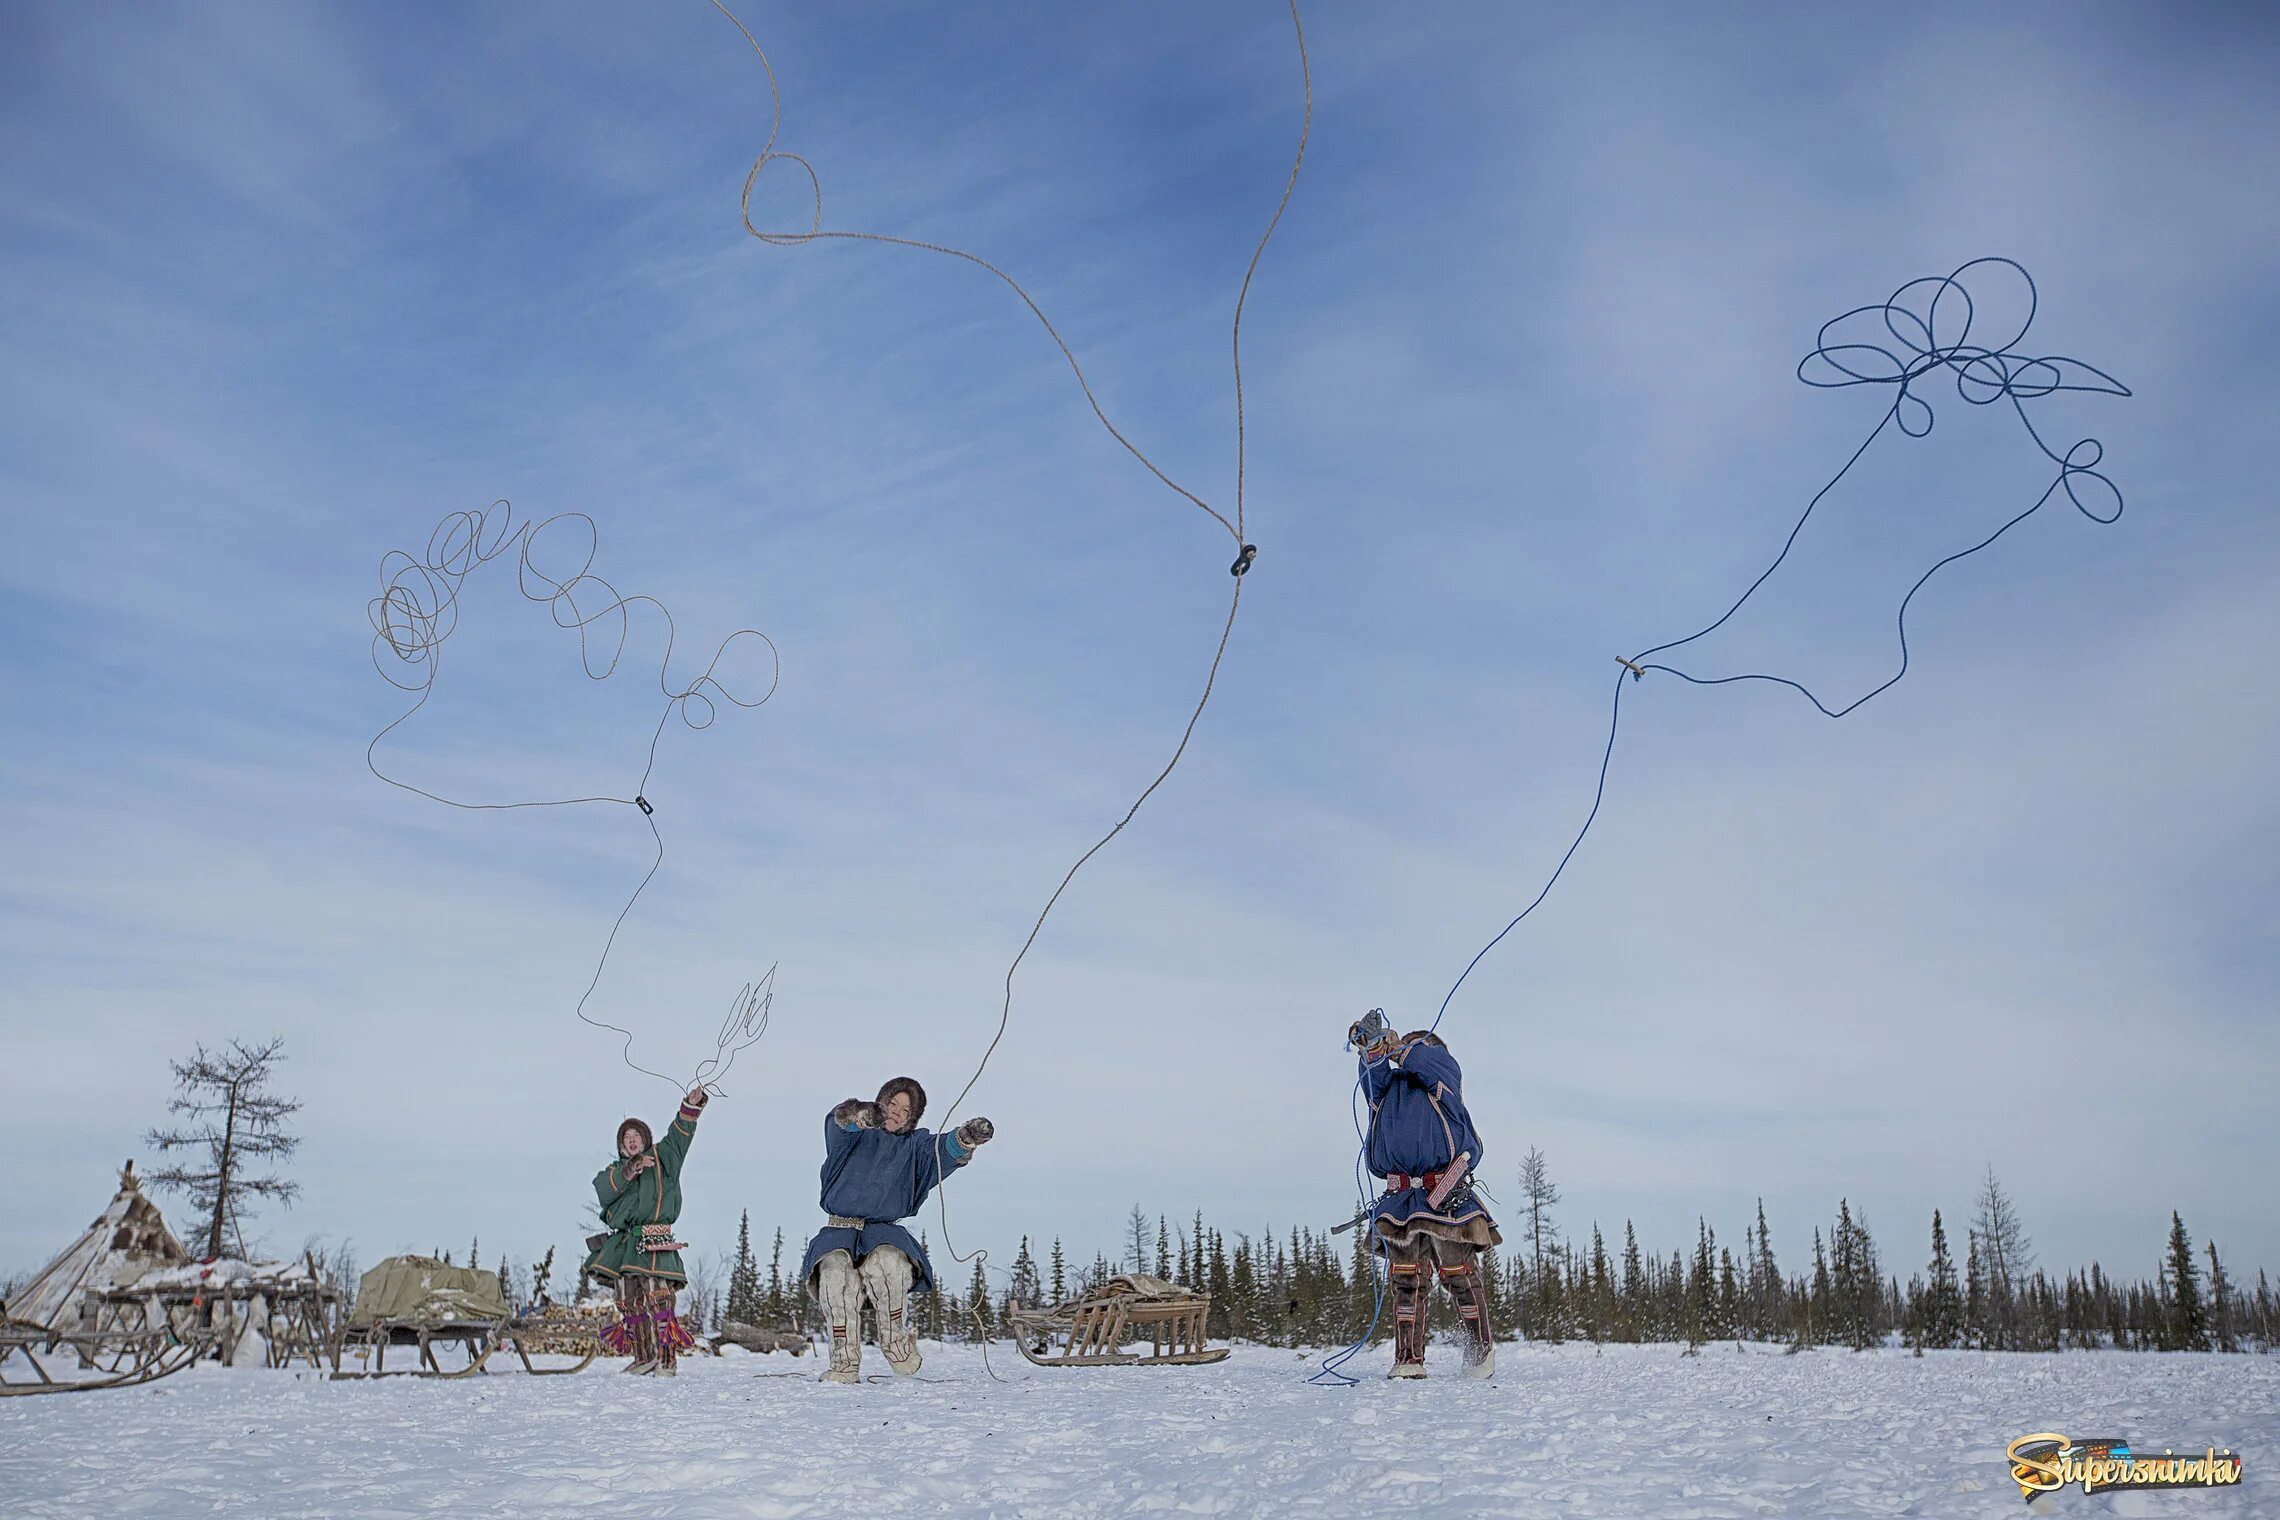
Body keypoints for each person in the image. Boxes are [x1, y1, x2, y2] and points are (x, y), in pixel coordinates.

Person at [796, 1077, 994, 1384]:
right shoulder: (854, 1137)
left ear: (913, 1117)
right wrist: (861, 1115)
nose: (897, 1113)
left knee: (889, 1265)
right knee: (835, 1277)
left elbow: (945, 1149)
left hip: (883, 1233)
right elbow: (840, 1122)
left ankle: (898, 1347)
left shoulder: (915, 1146)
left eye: (906, 1109)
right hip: (839, 1231)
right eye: (892, 1104)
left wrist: (966, 1137)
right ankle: (844, 1365)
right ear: (881, 1102)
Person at [1350, 1008, 1501, 1379]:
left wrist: (1398, 1044)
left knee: (1459, 1273)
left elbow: (1426, 1058)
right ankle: (1408, 1359)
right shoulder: (1388, 1086)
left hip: (1444, 1194)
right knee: (1406, 1279)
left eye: (1413, 1047)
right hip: (1401, 1198)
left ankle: (1479, 1353)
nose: (1404, 1052)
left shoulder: (1442, 1072)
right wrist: (1371, 1048)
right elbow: (1373, 1076)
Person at [584, 1086, 709, 1376]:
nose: (631, 1141)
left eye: (636, 1137)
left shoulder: (665, 1158)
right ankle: (644, 1357)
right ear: (620, 1145)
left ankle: (667, 1360)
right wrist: (632, 1169)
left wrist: (690, 1107)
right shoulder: (614, 1172)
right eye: (626, 1139)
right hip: (625, 1246)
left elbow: (680, 1134)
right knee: (629, 1303)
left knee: (659, 1300)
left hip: (657, 1240)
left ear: (646, 1139)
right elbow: (604, 1190)